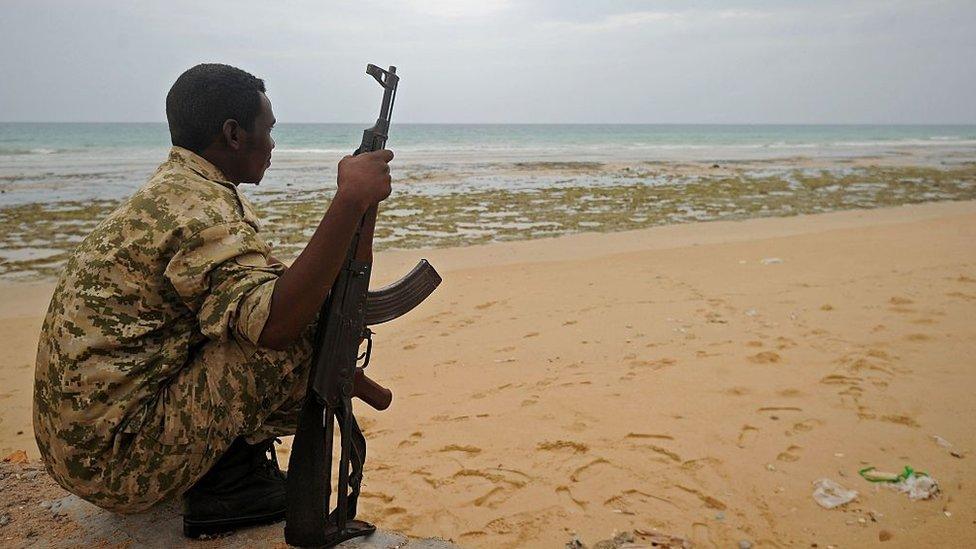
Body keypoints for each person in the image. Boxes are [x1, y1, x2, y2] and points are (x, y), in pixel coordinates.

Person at [32, 63, 394, 537]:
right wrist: (348, 201)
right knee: (291, 344)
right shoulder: (200, 212)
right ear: (233, 134)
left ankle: (225, 473)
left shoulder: (179, 191)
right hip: (115, 465)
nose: (273, 143)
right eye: (268, 130)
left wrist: (360, 213)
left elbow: (267, 288)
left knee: (299, 328)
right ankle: (231, 488)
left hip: (82, 448)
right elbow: (276, 326)